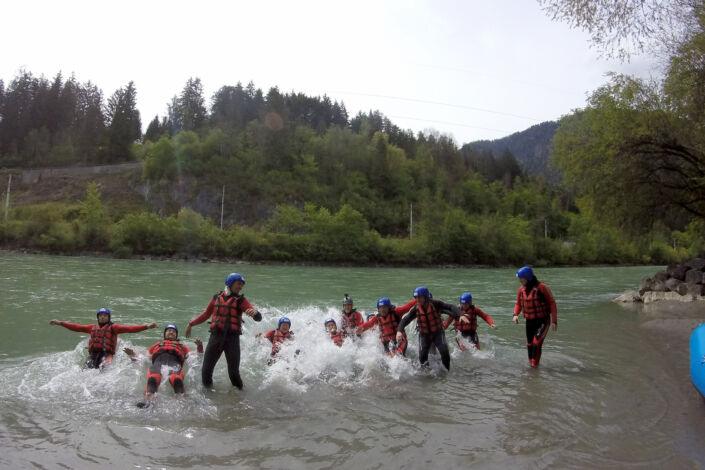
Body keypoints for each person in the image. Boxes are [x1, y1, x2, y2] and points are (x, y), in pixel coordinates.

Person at [185, 272, 262, 389]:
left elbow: (257, 317)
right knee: (206, 372)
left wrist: (256, 313)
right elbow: (206, 314)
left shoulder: (241, 300)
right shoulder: (216, 298)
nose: (240, 287)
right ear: (230, 283)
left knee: (233, 374)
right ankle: (209, 397)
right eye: (238, 283)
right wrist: (191, 324)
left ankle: (240, 399)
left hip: (232, 339)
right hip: (216, 337)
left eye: (242, 285)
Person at [49, 308, 156, 369]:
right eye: (100, 315)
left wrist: (146, 326)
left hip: (107, 355)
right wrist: (60, 323)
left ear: (109, 317)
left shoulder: (114, 328)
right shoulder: (92, 328)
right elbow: (76, 327)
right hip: (93, 355)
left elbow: (130, 329)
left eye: (105, 315)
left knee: (103, 371)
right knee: (85, 371)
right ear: (98, 317)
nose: (102, 317)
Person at [124, 324, 203, 404]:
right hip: (158, 363)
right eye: (169, 331)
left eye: (173, 331)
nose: (171, 332)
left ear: (176, 335)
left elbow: (195, 357)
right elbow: (144, 358)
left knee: (176, 379)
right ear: (165, 334)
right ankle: (148, 401)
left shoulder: (182, 346)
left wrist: (200, 347)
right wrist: (133, 355)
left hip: (175, 363)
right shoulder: (156, 345)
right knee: (153, 378)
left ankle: (181, 402)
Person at [396, 286, 467, 370]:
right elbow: (405, 319)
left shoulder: (435, 304)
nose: (417, 300)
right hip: (424, 335)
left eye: (419, 297)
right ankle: (427, 375)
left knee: (444, 352)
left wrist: (460, 315)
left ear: (426, 297)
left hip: (438, 333)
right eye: (416, 298)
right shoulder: (416, 309)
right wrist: (399, 331)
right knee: (422, 356)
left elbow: (450, 307)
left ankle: (446, 371)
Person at [512, 266, 558, 368]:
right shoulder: (521, 290)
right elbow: (518, 304)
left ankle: (534, 366)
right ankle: (532, 366)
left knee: (536, 343)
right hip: (530, 321)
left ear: (527, 278)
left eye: (521, 278)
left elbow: (552, 303)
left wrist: (554, 321)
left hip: (543, 320)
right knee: (529, 345)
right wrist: (515, 314)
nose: (519, 280)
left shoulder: (542, 288)